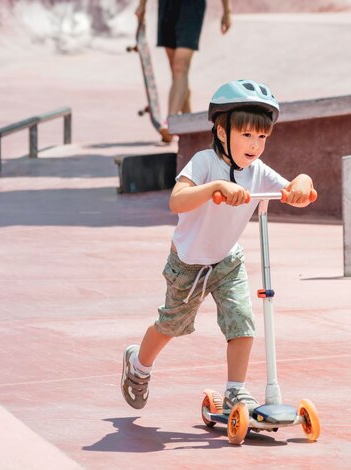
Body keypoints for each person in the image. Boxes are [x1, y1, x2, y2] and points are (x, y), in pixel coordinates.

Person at [121, 79, 315, 412]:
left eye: (262, 137)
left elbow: (297, 193)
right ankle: (138, 365)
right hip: (188, 265)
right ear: (222, 132)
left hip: (227, 261)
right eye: (246, 135)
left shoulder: (257, 171)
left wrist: (302, 182)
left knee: (242, 322)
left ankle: (235, 391)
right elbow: (177, 201)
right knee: (171, 326)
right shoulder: (204, 162)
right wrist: (216, 186)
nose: (255, 145)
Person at [135, 0, 231, 142]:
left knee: (180, 66)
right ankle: (190, 129)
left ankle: (171, 122)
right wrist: (142, 5)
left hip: (191, 7)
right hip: (167, 7)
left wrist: (226, 11)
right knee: (177, 73)